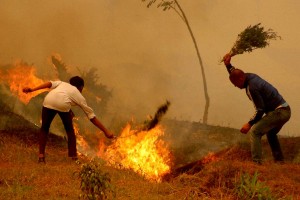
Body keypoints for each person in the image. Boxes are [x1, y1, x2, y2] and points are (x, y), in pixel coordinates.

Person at [23, 76, 114, 163]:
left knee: (44, 128)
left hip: (48, 101)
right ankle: (73, 157)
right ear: (81, 87)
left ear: (70, 83)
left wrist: (32, 89)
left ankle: (41, 156)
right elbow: (91, 117)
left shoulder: (62, 83)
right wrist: (106, 131)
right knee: (70, 130)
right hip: (63, 105)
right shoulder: (79, 95)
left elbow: (49, 84)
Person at [223, 54, 291, 164]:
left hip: (279, 112)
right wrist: (228, 65)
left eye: (235, 84)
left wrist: (249, 124)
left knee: (255, 131)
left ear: (241, 79)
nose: (235, 86)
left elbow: (260, 110)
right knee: (271, 133)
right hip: (285, 110)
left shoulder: (252, 87)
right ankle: (279, 162)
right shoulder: (248, 76)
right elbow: (235, 73)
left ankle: (257, 163)